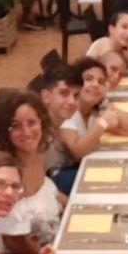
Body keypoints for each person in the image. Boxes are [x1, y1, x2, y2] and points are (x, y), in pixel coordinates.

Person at [0, 88, 64, 254]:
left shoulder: (35, 153)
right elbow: (14, 241)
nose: (27, 133)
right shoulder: (3, 172)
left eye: (31, 122)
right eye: (15, 126)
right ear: (1, 130)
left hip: (49, 240)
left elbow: (46, 190)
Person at [58, 57, 128, 192]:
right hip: (62, 175)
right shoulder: (68, 111)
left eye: (101, 82)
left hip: (84, 166)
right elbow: (78, 152)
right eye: (88, 79)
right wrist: (103, 123)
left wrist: (110, 105)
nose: (95, 85)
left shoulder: (94, 111)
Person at [32, 63, 83, 191]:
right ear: (46, 96)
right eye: (64, 93)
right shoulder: (34, 132)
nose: (72, 101)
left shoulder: (59, 124)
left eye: (76, 95)